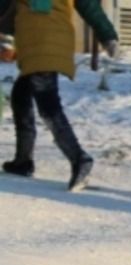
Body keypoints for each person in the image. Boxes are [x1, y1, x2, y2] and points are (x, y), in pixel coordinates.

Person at [2, 0, 119, 191]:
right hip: (51, 40)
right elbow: (89, 5)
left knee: (48, 106)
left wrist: (107, 36)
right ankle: (22, 162)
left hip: (40, 42)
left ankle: (80, 159)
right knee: (21, 96)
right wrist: (107, 36)